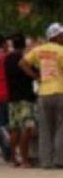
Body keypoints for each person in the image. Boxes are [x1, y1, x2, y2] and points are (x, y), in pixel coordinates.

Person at [22, 23, 63, 169]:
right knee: (60, 127)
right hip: (60, 91)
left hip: (44, 92)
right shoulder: (61, 50)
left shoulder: (38, 50)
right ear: (56, 36)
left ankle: (46, 161)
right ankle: (59, 160)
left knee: (45, 128)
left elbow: (22, 63)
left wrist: (36, 76)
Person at [5, 34, 37, 167]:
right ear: (24, 45)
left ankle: (13, 159)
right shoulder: (26, 58)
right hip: (26, 97)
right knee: (27, 128)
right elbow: (34, 73)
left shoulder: (7, 59)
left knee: (14, 129)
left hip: (12, 97)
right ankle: (25, 159)